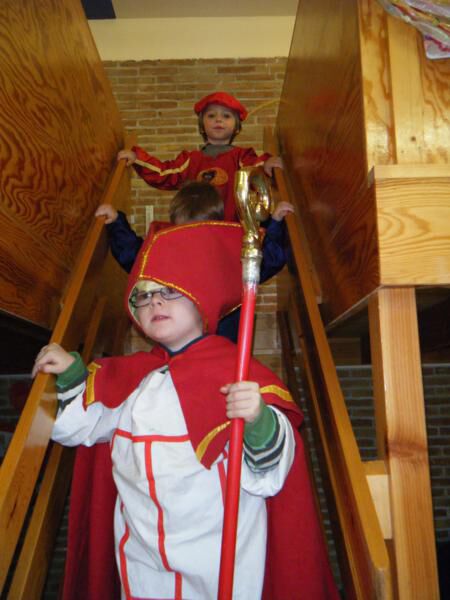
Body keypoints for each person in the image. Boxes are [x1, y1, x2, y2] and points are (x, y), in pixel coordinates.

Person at [33, 223, 338, 600]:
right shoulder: (131, 377)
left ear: (200, 298)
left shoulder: (238, 375)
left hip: (217, 563)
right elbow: (79, 428)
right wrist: (71, 374)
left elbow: (268, 477)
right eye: (144, 296)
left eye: (169, 291)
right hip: (142, 561)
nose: (154, 302)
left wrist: (258, 420)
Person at [96, 180, 294, 342]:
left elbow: (264, 262)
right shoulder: (168, 247)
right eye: (186, 231)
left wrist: (275, 223)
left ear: (215, 224)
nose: (194, 240)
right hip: (183, 336)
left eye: (200, 231)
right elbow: (137, 258)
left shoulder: (228, 248)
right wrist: (116, 223)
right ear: (175, 225)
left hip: (225, 334)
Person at [117, 91, 283, 221]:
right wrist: (137, 158)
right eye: (211, 116)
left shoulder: (242, 156)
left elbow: (256, 172)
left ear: (237, 127)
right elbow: (163, 174)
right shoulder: (190, 159)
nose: (218, 120)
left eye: (226, 116)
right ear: (202, 125)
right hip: (194, 230)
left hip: (232, 231)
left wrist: (267, 164)